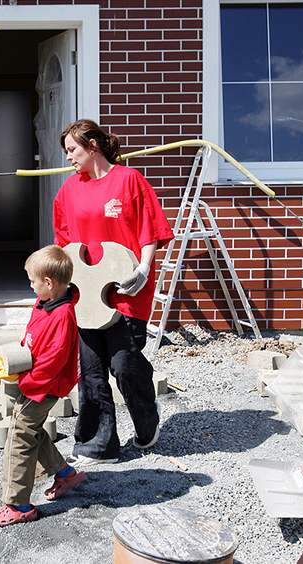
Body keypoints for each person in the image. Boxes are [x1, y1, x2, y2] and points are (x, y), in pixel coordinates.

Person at [53, 119, 174, 466]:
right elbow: (64, 245)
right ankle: (96, 443)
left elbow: (149, 229)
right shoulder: (67, 192)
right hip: (86, 294)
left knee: (125, 365)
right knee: (91, 372)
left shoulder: (129, 180)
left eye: (73, 150)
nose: (69, 158)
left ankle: (146, 420)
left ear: (93, 146)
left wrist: (144, 267)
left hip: (127, 289)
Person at [0, 245, 87, 526]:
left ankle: (18, 504)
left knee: (19, 437)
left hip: (43, 387)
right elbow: (32, 338)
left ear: (49, 283)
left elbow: (53, 361)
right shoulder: (45, 303)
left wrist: (26, 381)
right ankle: (66, 474)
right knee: (30, 429)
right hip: (35, 380)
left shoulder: (63, 316)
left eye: (32, 281)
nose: (30, 286)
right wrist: (13, 363)